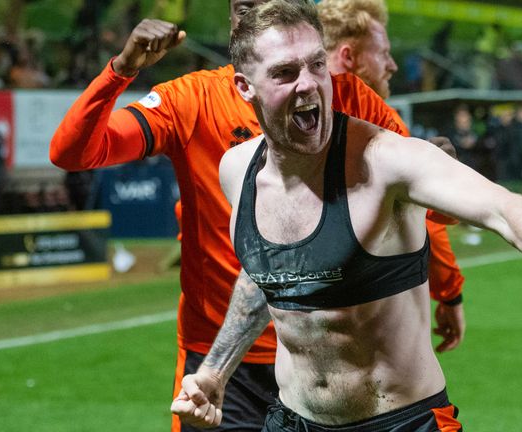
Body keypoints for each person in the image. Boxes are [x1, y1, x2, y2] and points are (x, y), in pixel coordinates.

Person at [171, 2, 522, 429]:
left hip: (401, 422)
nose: (308, 85)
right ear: (245, 87)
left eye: (317, 65)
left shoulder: (386, 160)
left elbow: (502, 205)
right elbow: (264, 273)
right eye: (285, 73)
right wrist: (214, 372)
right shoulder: (237, 170)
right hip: (292, 420)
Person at [50, 1, 462, 430]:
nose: (251, 17)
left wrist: (441, 182)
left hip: (327, 361)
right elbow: (73, 152)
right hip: (220, 360)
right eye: (242, 7)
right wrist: (123, 67)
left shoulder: (346, 97)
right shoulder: (191, 100)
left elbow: (427, 204)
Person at [317, 0, 465, 351]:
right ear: (350, 56)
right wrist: (451, 293)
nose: (393, 65)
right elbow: (424, 216)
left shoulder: (280, 107)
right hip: (353, 323)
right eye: (383, 53)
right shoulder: (374, 117)